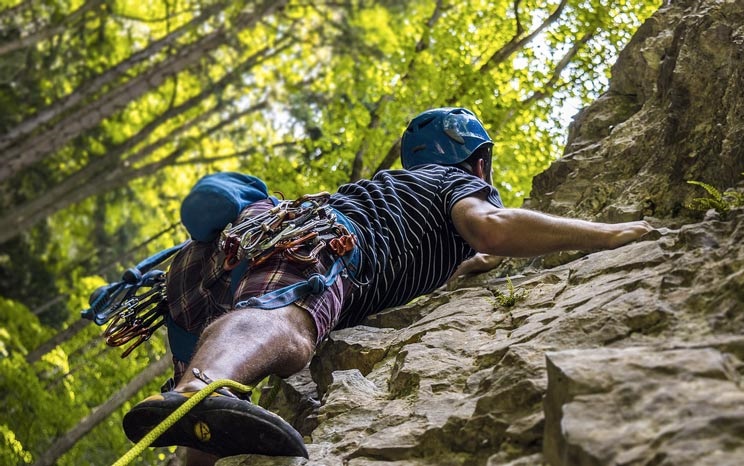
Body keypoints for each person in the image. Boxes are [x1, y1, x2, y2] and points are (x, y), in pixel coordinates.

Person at [120, 107, 653, 465]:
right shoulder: (456, 183)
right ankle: (196, 389)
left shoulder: (397, 195)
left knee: (208, 414)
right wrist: (610, 234)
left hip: (204, 271)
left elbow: (467, 256)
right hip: (318, 241)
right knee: (291, 324)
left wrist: (476, 262)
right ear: (479, 163)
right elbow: (491, 227)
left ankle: (194, 419)